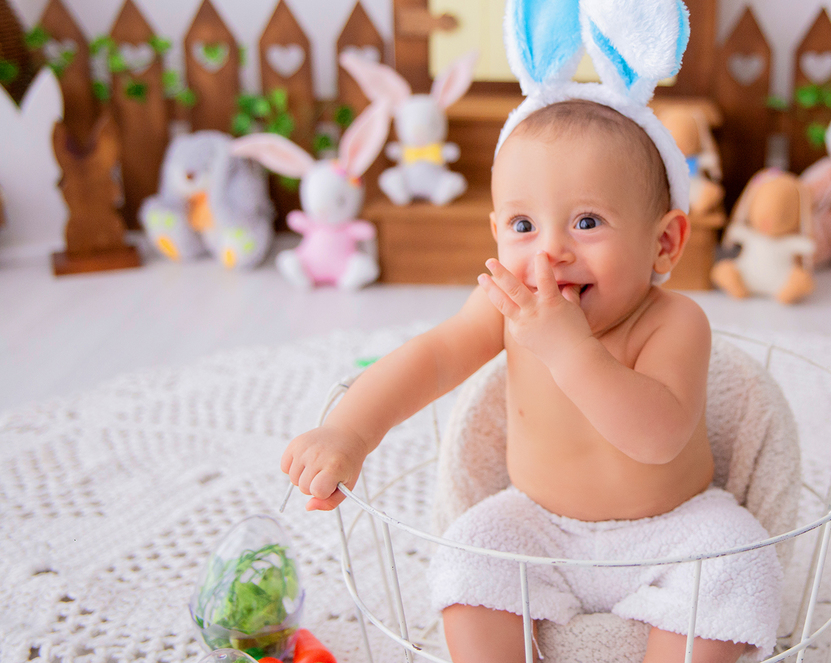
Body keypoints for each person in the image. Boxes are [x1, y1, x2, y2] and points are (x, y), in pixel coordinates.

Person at [281, 98, 782, 663]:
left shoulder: (674, 322)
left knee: (739, 555)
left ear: (664, 242)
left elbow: (658, 436)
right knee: (469, 551)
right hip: (539, 527)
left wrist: (571, 350)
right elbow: (432, 358)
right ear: (496, 232)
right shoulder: (503, 308)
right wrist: (350, 432)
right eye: (523, 225)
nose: (551, 250)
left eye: (587, 222)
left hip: (672, 531)